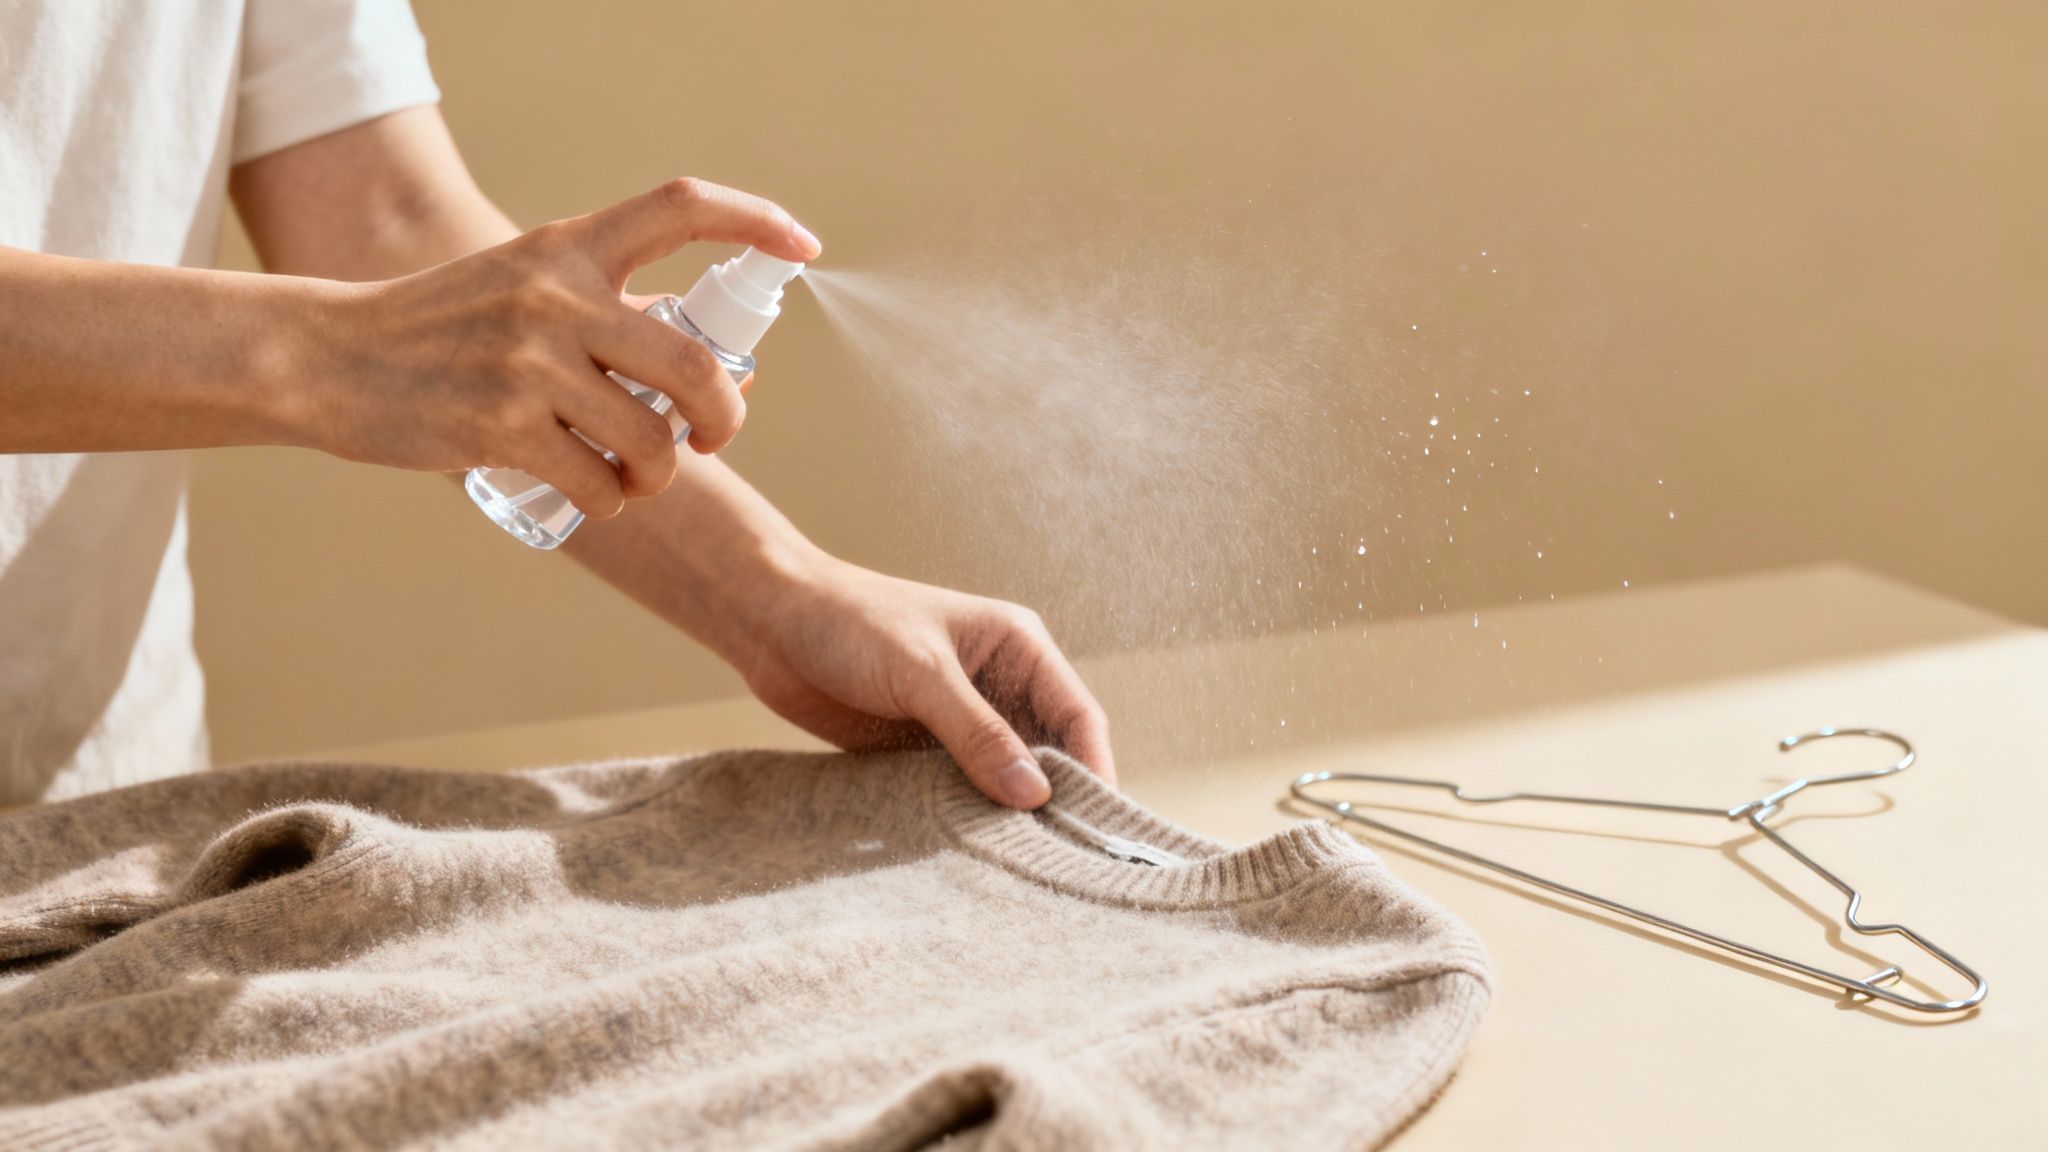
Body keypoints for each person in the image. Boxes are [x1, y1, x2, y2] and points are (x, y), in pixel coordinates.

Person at [0, 0, 1112, 808]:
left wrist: (782, 595)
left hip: (96, 792)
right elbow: (370, 313)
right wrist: (334, 356)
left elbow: (380, 214)